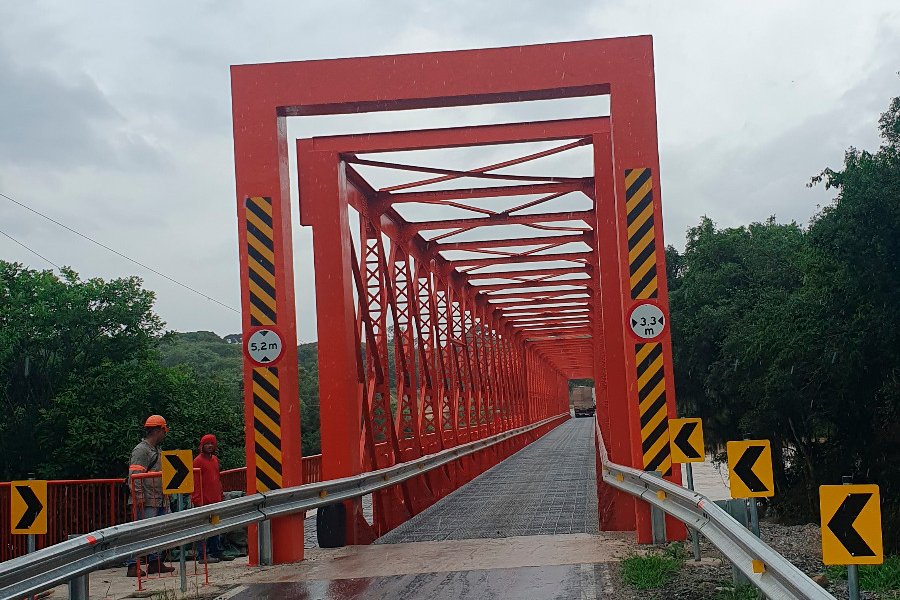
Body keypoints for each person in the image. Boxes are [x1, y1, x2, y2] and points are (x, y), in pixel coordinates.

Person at [125, 415, 176, 577]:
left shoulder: (155, 450)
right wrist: (139, 498)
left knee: (158, 531)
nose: (165, 433)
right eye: (164, 429)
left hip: (158, 498)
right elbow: (134, 476)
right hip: (146, 500)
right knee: (141, 532)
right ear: (158, 430)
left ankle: (155, 562)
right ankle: (133, 564)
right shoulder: (141, 450)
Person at [191, 434, 232, 563]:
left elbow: (217, 478)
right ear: (202, 446)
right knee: (203, 528)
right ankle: (202, 555)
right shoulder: (198, 461)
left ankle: (216, 551)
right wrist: (197, 499)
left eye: (211, 444)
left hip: (215, 500)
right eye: (207, 444)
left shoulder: (214, 459)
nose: (209, 446)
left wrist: (221, 494)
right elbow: (195, 481)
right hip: (203, 501)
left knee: (215, 527)